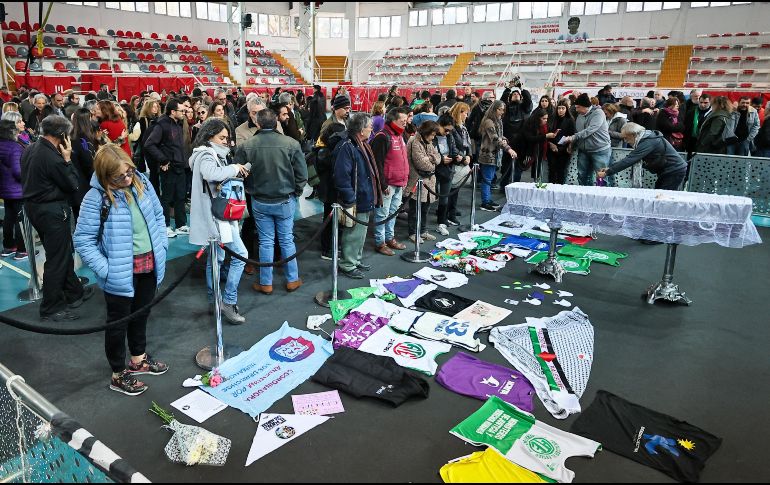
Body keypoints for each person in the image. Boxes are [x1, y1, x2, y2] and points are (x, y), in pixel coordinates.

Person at [73, 144, 168, 396]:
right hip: (120, 272)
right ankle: (118, 373)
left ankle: (138, 360)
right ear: (106, 176)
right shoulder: (95, 198)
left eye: (129, 172)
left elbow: (158, 216)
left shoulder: (142, 182)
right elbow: (83, 240)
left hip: (150, 263)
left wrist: (163, 247)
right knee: (117, 323)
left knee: (142, 314)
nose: (127, 179)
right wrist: (107, 270)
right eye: (119, 177)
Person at [21, 115, 92, 321]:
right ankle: (51, 307)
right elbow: (72, 184)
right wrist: (68, 160)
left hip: (35, 209)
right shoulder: (52, 157)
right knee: (57, 259)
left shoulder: (30, 148)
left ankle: (74, 292)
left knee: (59, 254)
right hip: (51, 211)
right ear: (62, 135)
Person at [235, 109, 306, 295]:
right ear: (276, 123)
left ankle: (266, 283)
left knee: (265, 242)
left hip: (259, 200)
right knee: (286, 240)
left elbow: (238, 173)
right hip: (285, 199)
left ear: (257, 124)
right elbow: (302, 174)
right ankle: (292, 279)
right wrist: (296, 192)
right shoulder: (291, 143)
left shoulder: (247, 146)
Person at [189, 118, 249, 324]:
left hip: (217, 216)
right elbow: (211, 173)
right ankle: (228, 301)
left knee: (217, 259)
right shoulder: (206, 155)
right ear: (209, 136)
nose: (226, 141)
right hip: (218, 218)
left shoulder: (207, 154)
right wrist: (234, 169)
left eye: (227, 138)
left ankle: (214, 301)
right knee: (240, 254)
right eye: (222, 137)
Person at [333, 113, 382, 279]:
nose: (372, 130)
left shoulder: (359, 144)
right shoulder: (348, 147)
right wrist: (350, 198)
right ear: (361, 130)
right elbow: (341, 176)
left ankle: (355, 259)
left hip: (364, 195)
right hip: (356, 198)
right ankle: (348, 264)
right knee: (353, 234)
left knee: (360, 233)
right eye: (370, 127)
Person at [143, 98, 189, 238]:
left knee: (180, 196)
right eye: (181, 110)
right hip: (168, 168)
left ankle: (181, 225)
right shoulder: (161, 125)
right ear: (172, 111)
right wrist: (163, 160)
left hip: (180, 166)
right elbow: (149, 144)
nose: (184, 112)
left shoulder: (178, 124)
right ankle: (166, 226)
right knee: (167, 198)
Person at [597, 122, 687, 191]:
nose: (625, 141)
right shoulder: (646, 138)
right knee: (659, 195)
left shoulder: (648, 142)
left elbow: (630, 159)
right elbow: (629, 158)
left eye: (626, 137)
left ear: (633, 134)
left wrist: (608, 172)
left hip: (674, 170)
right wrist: (609, 168)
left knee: (662, 198)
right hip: (669, 170)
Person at [371, 108, 409, 256]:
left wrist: (404, 178)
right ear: (393, 121)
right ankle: (380, 243)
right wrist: (382, 183)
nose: (405, 124)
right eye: (403, 121)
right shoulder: (383, 136)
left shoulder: (400, 135)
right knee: (382, 214)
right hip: (388, 184)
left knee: (393, 212)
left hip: (399, 182)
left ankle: (389, 238)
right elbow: (377, 163)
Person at [562, 93, 612, 186]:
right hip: (584, 151)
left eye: (578, 107)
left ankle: (601, 195)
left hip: (600, 150)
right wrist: (572, 144)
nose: (576, 110)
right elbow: (578, 131)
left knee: (601, 176)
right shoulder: (580, 115)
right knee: (582, 175)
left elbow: (590, 130)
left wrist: (573, 137)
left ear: (585, 106)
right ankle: (584, 194)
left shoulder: (598, 113)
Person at [406, 121, 441, 241]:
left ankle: (423, 230)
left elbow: (438, 157)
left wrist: (430, 158)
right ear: (426, 132)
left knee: (426, 208)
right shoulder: (414, 141)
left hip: (429, 181)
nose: (433, 137)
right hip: (417, 180)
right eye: (432, 134)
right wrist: (433, 161)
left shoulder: (428, 141)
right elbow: (421, 164)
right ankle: (413, 232)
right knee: (415, 209)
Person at [478, 101, 516, 211]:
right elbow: (494, 138)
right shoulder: (489, 121)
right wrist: (508, 148)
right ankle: (485, 202)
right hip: (488, 154)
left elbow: (497, 136)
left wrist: (502, 138)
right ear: (495, 109)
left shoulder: (497, 120)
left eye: (503, 109)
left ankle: (487, 200)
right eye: (500, 109)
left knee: (489, 179)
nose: (502, 111)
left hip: (495, 154)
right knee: (487, 179)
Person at [0, 119, 27, 260]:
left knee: (8, 217)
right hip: (17, 189)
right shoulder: (14, 147)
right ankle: (22, 250)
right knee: (20, 219)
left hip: (4, 188)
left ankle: (8, 246)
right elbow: (18, 171)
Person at [71, 108, 104, 217]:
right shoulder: (83, 140)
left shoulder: (71, 137)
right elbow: (88, 164)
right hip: (85, 186)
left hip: (76, 185)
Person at [434, 114, 459, 236]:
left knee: (444, 197)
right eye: (446, 130)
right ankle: (421, 227)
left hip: (447, 170)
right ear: (439, 125)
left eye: (450, 130)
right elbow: (428, 152)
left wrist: (457, 157)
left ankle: (441, 222)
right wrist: (440, 159)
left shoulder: (450, 136)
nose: (448, 133)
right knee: (429, 199)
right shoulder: (431, 135)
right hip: (433, 170)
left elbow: (454, 149)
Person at [522, 108, 559, 184]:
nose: (546, 120)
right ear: (538, 118)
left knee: (541, 171)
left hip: (542, 151)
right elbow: (530, 138)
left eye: (547, 118)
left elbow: (545, 138)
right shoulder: (530, 124)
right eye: (544, 118)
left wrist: (549, 141)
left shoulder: (545, 126)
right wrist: (546, 136)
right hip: (529, 150)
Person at [548, 99, 576, 184]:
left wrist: (569, 146)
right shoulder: (552, 118)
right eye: (559, 108)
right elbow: (547, 133)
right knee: (552, 170)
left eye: (563, 108)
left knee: (561, 171)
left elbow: (572, 135)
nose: (560, 110)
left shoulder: (570, 120)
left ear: (566, 109)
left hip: (564, 149)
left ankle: (560, 189)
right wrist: (551, 144)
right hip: (552, 148)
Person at [684, 93, 711, 158]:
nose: (703, 105)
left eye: (705, 103)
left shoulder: (712, 113)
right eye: (701, 102)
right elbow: (686, 126)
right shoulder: (691, 111)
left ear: (710, 102)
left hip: (705, 142)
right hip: (691, 141)